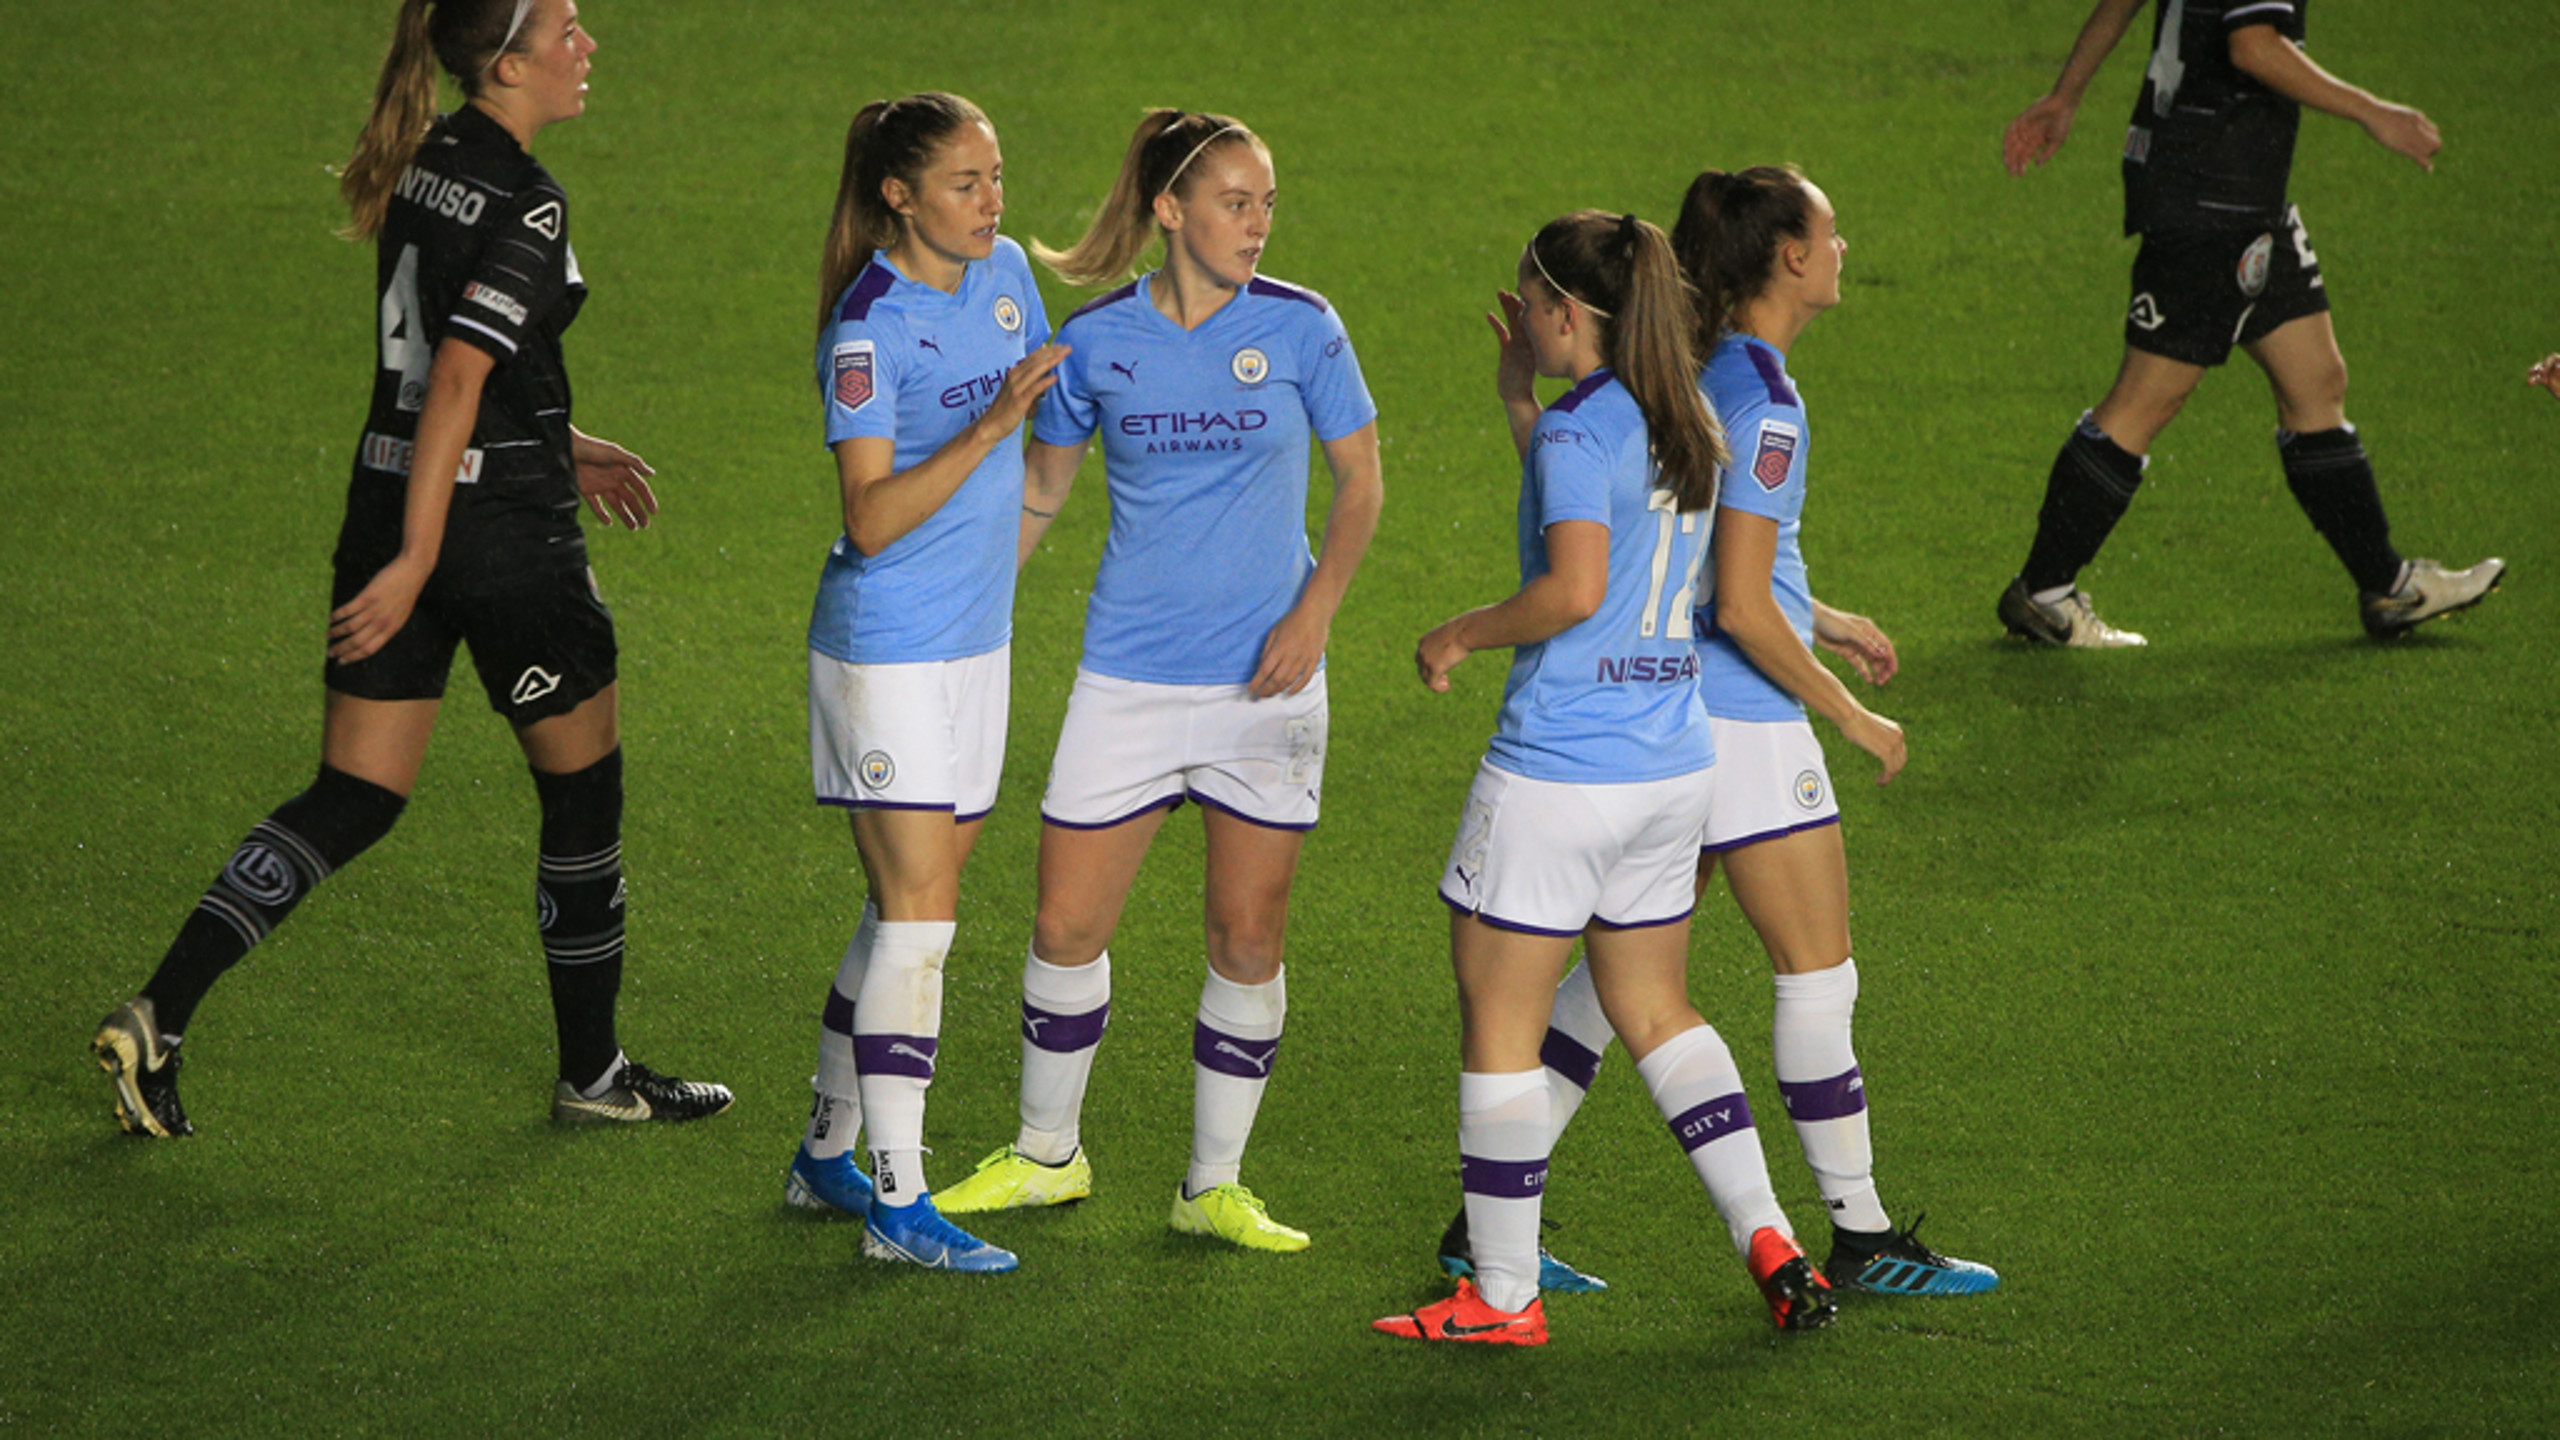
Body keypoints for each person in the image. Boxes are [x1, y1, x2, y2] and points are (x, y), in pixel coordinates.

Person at [89, 0, 731, 1138]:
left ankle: (159, 1017)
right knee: (582, 800)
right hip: (497, 544)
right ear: (509, 61)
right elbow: (456, 383)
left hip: (389, 504)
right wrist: (439, 548)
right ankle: (594, 1078)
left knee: (353, 795)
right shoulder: (527, 194)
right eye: (569, 30)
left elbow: (447, 364)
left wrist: (556, 448)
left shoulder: (429, 161)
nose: (589, 47)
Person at [1439, 168, 1998, 1305]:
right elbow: (1731, 598)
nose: (1845, 244)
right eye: (1831, 229)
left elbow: (1644, 526)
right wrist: (1848, 715)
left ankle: (1483, 1231)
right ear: (1788, 256)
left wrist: (1824, 619)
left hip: (1641, 716)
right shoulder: (1756, 399)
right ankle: (1856, 1230)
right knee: (1807, 976)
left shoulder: (1678, 378)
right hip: (1727, 720)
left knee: (1610, 992)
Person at [1374, 209, 1832, 1348]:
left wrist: (1460, 633)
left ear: (1569, 315)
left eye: (1531, 304)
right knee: (1655, 1007)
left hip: (1559, 774)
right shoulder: (1685, 420)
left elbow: (1576, 584)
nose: (1522, 319)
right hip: (1672, 768)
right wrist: (1520, 404)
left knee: (1501, 1023)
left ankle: (1500, 1296)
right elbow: (1617, 516)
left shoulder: (1590, 433)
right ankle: (1767, 1235)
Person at [931, 109, 1383, 1255]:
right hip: (1126, 678)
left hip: (1267, 687)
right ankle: (1047, 1158)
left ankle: (1212, 1185)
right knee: (1063, 923)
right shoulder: (1094, 344)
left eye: (1267, 202)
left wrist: (1314, 611)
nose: (1258, 223)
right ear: (1171, 210)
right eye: (1235, 201)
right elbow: (1042, 495)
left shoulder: (1303, 329)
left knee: (1246, 936)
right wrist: (955, 608)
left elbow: (1360, 485)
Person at [782, 92, 1067, 1274]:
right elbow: (872, 516)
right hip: (884, 650)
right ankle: (900, 1207)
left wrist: (1019, 534)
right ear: (898, 194)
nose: (991, 202)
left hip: (973, 648)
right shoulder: (867, 331)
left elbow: (1051, 427)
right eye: (964, 181)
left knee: (909, 909)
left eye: (995, 176)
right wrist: (990, 428)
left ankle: (825, 1151)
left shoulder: (1005, 274)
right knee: (922, 923)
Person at [1996, 0, 2501, 645]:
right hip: (2211, 196)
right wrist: (2374, 112)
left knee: (2316, 381)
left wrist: (2066, 94)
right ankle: (2043, 593)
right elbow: (2253, 45)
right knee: (2144, 401)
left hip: (2242, 194)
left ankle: (2390, 586)